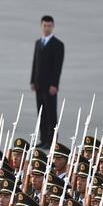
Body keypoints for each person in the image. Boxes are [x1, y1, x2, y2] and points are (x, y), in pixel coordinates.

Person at [30, 15, 65, 148]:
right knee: (41, 112)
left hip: (50, 86)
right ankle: (43, 139)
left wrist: (54, 84)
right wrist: (33, 81)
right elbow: (35, 63)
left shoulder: (58, 44)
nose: (47, 28)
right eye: (44, 25)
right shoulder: (38, 42)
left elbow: (58, 67)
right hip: (39, 85)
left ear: (53, 26)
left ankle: (52, 141)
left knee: (51, 113)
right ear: (41, 26)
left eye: (49, 26)